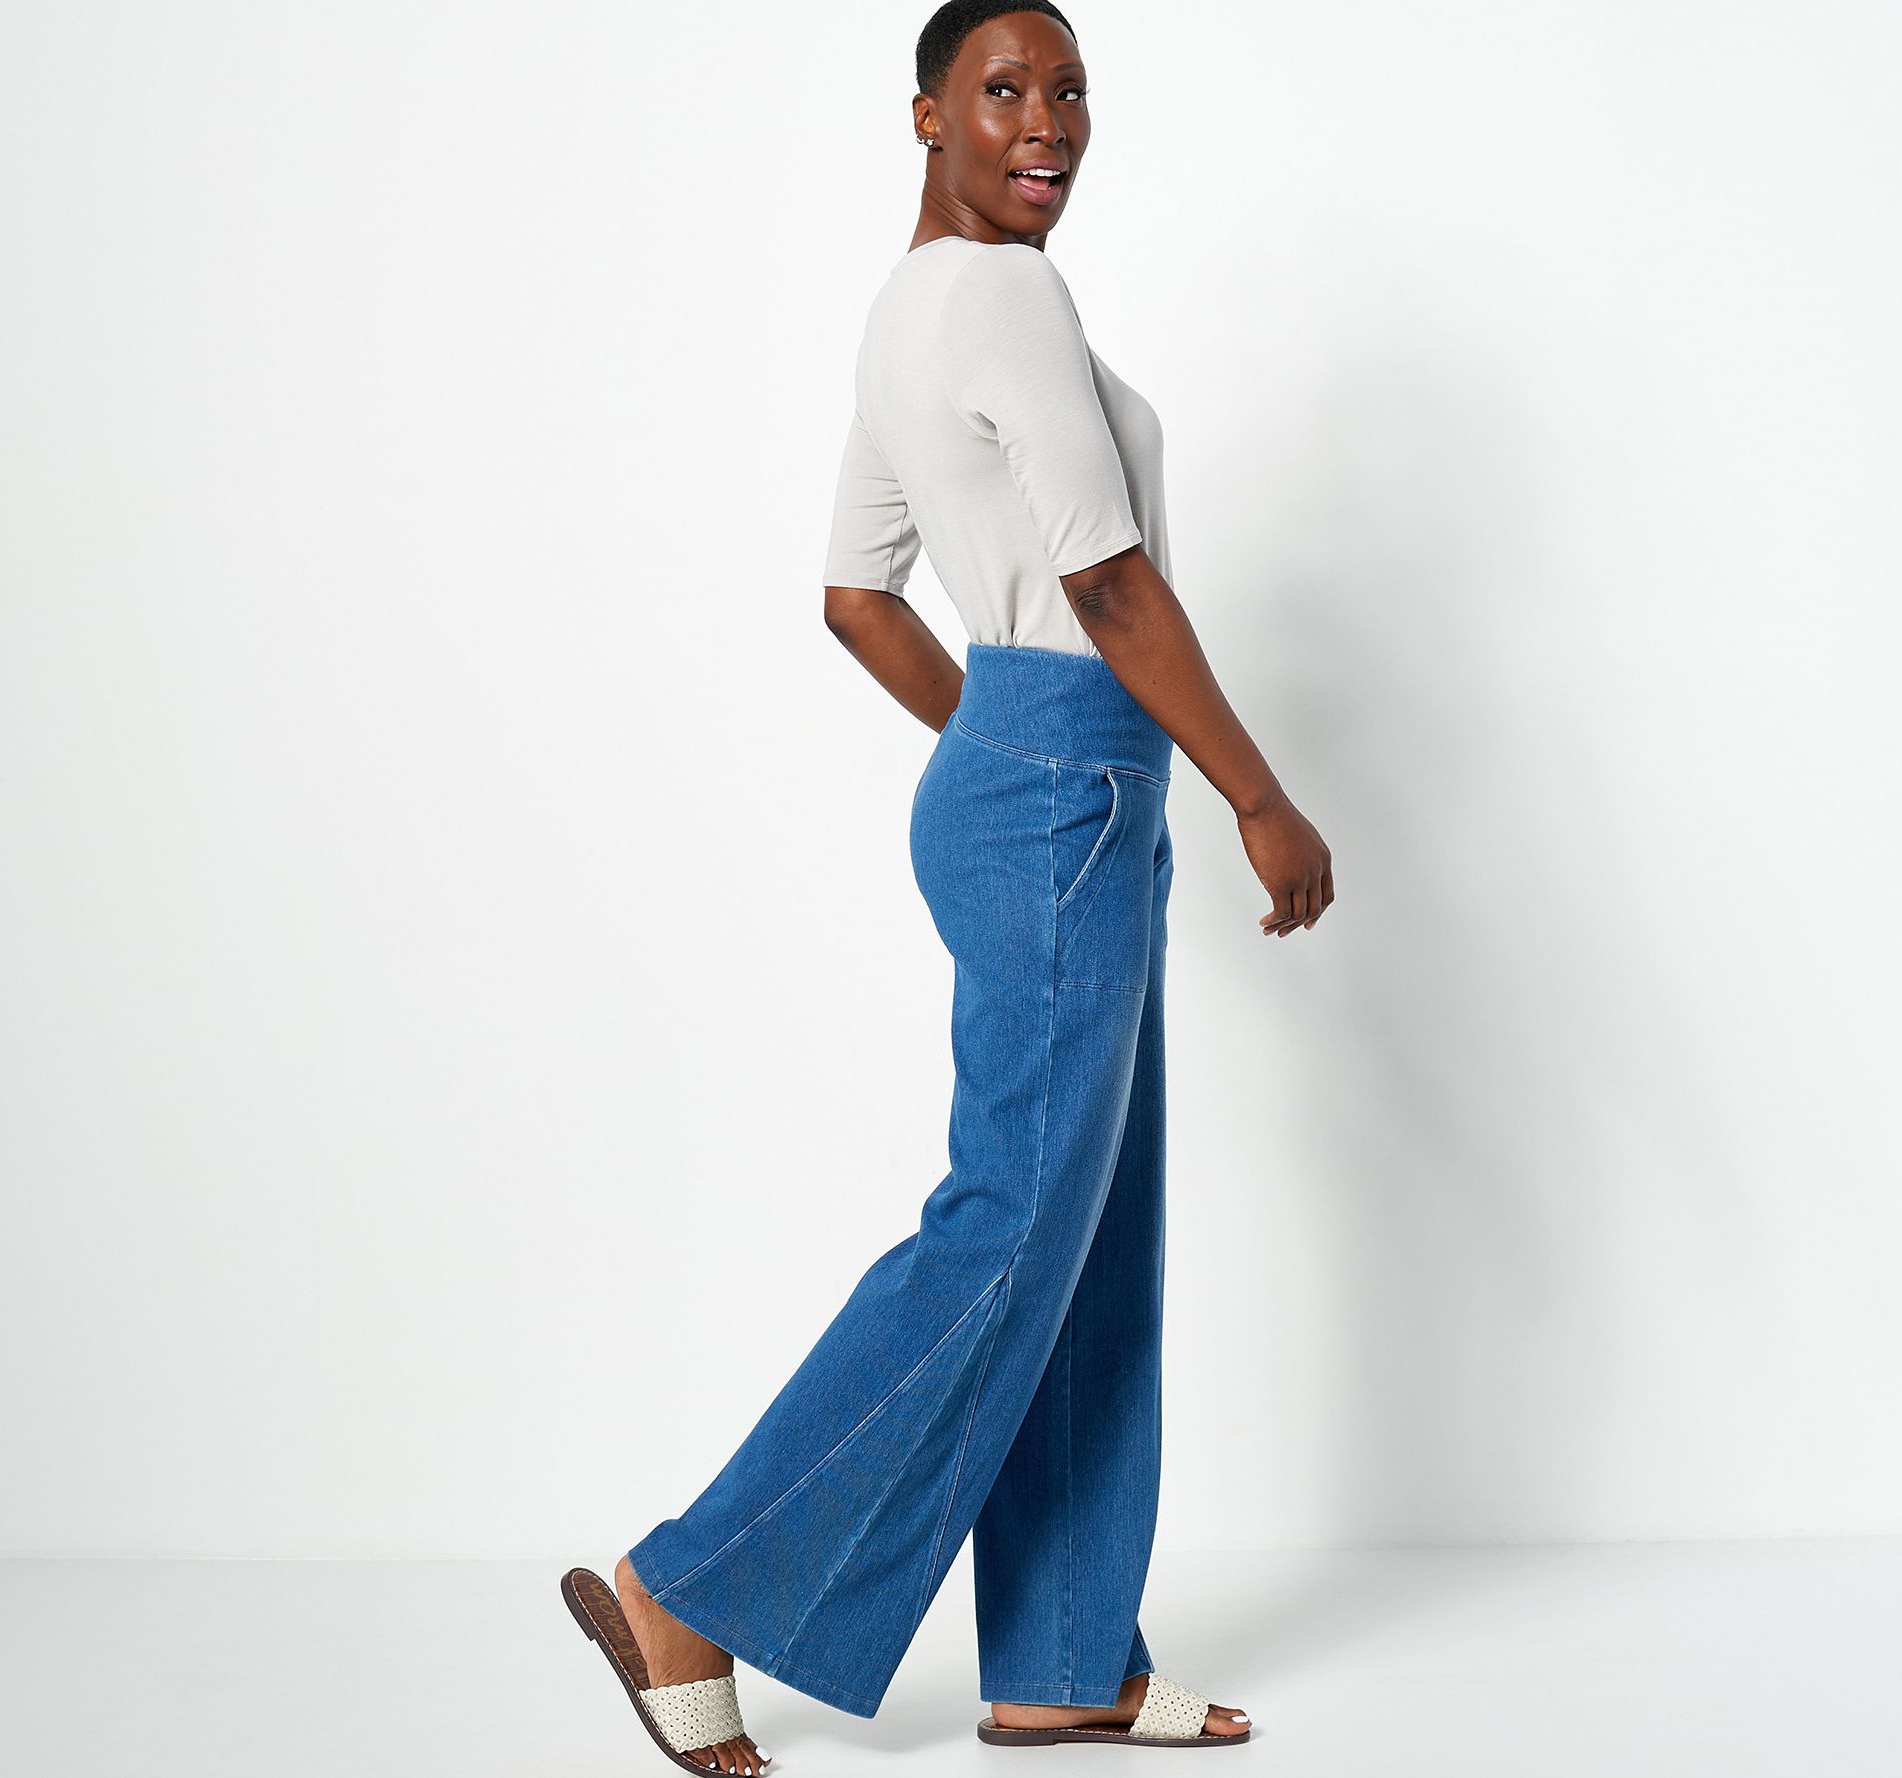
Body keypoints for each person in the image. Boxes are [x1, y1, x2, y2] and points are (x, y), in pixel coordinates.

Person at [561, 5, 1332, 1770]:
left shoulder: (904, 311)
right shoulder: (1003, 300)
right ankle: (693, 1582)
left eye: (1069, 91)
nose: (1046, 119)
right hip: (1071, 780)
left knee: (1084, 1233)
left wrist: (1002, 740)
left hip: (1036, 773)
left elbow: (858, 598)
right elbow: (1110, 586)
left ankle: (1062, 1657)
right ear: (926, 115)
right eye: (1004, 89)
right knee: (1010, 1225)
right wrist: (1257, 793)